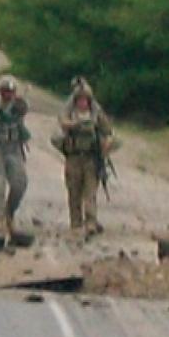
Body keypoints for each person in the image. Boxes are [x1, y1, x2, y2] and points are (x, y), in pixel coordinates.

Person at [52, 75, 115, 236]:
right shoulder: (69, 112)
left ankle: (91, 222)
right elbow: (61, 126)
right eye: (79, 99)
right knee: (73, 191)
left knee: (90, 192)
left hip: (91, 158)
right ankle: (76, 222)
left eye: (85, 99)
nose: (82, 102)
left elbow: (108, 131)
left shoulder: (96, 113)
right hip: (73, 157)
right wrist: (75, 125)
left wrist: (106, 144)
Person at [0, 75, 31, 239]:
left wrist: (19, 105)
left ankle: (9, 212)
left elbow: (23, 109)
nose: (8, 95)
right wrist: (2, 114)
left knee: (20, 184)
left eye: (10, 91)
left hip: (14, 149)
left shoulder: (18, 106)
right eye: (5, 91)